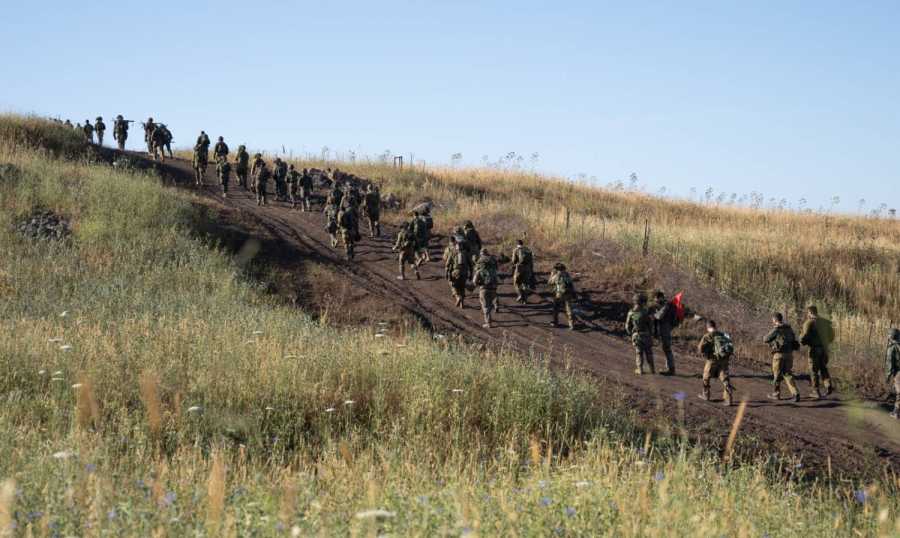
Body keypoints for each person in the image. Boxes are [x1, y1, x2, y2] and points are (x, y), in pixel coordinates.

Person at [763, 312, 801, 402]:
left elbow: (765, 339)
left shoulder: (777, 329)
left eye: (773, 320)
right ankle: (795, 393)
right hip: (789, 355)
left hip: (779, 355)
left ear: (775, 320)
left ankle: (776, 394)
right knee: (787, 374)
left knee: (777, 375)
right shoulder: (789, 329)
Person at [697, 320, 735, 406]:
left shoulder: (707, 336)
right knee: (725, 379)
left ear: (708, 327)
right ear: (715, 326)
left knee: (706, 377)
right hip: (724, 360)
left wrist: (705, 353)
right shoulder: (722, 334)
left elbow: (700, 348)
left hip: (712, 360)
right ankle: (728, 399)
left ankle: (706, 395)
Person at [799, 305, 834, 400]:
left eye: (808, 313)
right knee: (823, 367)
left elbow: (803, 337)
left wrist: (803, 341)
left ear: (810, 312)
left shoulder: (809, 322)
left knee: (813, 370)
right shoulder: (825, 322)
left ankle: (816, 391)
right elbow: (832, 336)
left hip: (814, 349)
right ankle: (828, 385)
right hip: (824, 349)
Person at [626, 294, 655, 374]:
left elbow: (627, 326)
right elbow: (651, 325)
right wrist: (651, 334)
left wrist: (630, 333)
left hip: (637, 335)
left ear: (635, 302)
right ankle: (652, 369)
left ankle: (640, 369)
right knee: (649, 352)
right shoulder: (646, 312)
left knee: (639, 352)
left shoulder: (631, 313)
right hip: (647, 335)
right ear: (643, 302)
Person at [652, 291, 678, 376]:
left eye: (656, 299)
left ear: (660, 297)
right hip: (666, 328)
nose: (655, 301)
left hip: (665, 328)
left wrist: (654, 315)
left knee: (666, 348)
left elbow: (659, 316)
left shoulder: (666, 305)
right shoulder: (668, 305)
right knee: (666, 348)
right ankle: (669, 368)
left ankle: (671, 369)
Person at [473, 248, 500, 328]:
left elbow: (474, 282)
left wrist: (479, 284)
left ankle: (488, 323)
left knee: (485, 306)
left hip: (484, 289)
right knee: (491, 303)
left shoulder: (479, 271)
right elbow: (497, 280)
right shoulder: (493, 271)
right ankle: (496, 305)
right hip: (493, 289)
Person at [548, 262, 576, 330]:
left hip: (559, 294)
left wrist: (552, 274)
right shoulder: (567, 275)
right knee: (569, 309)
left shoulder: (557, 275)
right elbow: (571, 284)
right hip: (568, 294)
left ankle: (555, 322)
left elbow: (550, 282)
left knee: (556, 308)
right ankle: (571, 324)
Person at [444, 235, 469, 308]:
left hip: (455, 272)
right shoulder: (465, 253)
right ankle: (462, 303)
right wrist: (470, 274)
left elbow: (447, 264)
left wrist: (447, 273)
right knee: (462, 287)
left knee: (453, 285)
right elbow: (470, 264)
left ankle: (458, 297)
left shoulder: (452, 252)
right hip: (464, 272)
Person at [511, 239, 535, 303]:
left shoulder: (515, 250)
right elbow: (531, 260)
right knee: (525, 283)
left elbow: (513, 261)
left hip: (519, 268)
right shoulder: (528, 250)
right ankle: (525, 300)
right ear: (522, 243)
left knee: (516, 283)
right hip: (527, 268)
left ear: (517, 244)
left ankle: (520, 294)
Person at [886, 328, 900, 419]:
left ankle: (896, 412)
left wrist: (887, 376)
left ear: (891, 336)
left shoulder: (892, 348)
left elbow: (889, 363)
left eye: (888, 334)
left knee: (899, 392)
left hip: (899, 372)